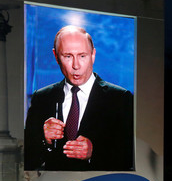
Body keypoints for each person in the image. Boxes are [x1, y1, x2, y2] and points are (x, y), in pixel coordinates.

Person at [25, 25, 134, 171]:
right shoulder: (42, 98)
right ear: (56, 56)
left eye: (82, 56)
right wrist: (43, 138)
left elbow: (129, 160)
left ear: (93, 55)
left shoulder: (120, 98)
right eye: (68, 56)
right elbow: (26, 160)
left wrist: (93, 153)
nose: (76, 65)